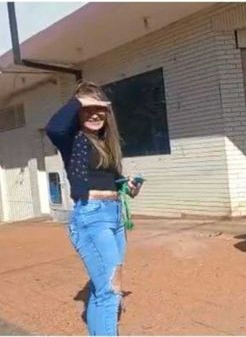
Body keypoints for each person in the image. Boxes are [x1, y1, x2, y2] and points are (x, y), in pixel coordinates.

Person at [46, 81, 142, 335]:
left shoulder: (105, 143)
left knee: (107, 290)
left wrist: (128, 186)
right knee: (110, 291)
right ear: (77, 112)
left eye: (100, 108)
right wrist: (80, 100)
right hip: (92, 217)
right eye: (88, 108)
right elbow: (53, 128)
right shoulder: (72, 140)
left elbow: (110, 180)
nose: (95, 113)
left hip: (114, 216)